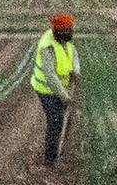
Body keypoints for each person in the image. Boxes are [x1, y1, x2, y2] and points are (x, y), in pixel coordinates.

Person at [30, 12, 80, 166]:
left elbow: (74, 54)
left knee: (62, 118)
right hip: (46, 89)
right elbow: (50, 76)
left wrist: (76, 70)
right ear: (56, 31)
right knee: (56, 120)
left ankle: (59, 150)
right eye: (65, 31)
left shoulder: (65, 40)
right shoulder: (47, 47)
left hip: (60, 87)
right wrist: (65, 96)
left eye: (69, 30)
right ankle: (51, 159)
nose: (68, 33)